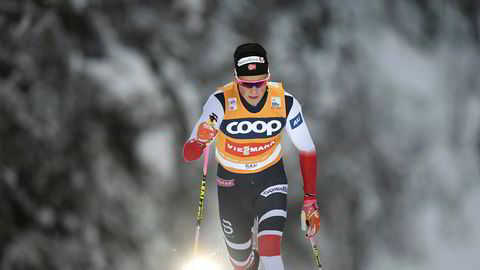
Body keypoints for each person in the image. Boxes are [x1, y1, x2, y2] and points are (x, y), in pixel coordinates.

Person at [183, 43, 320, 270]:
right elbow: (189, 154)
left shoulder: (285, 103)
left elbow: (307, 149)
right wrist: (199, 140)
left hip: (270, 179)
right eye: (247, 84)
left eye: (260, 83)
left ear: (268, 77)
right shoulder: (220, 102)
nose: (254, 91)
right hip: (231, 185)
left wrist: (310, 201)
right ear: (237, 79)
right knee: (242, 264)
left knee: (270, 250)